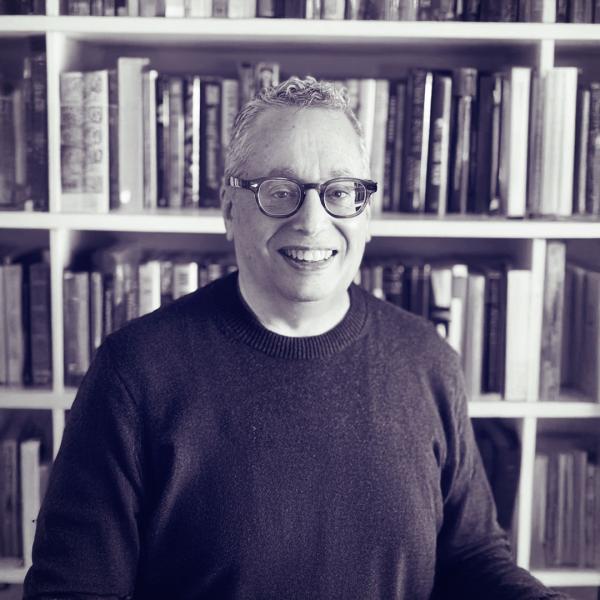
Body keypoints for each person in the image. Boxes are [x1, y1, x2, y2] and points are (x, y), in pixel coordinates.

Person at [24, 76, 569, 600]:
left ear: (366, 212)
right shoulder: (135, 373)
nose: (313, 221)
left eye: (341, 192)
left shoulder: (428, 359)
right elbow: (74, 588)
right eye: (278, 191)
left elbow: (471, 557)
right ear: (229, 210)